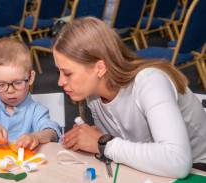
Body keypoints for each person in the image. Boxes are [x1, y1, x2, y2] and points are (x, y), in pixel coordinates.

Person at [52, 17, 206, 178]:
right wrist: (99, 137)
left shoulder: (150, 83)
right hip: (154, 170)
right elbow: (123, 146)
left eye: (68, 73)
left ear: (100, 68)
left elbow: (178, 162)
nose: (60, 81)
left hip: (198, 170)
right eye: (59, 72)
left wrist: (103, 144)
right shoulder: (93, 95)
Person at [0, 37, 61, 150]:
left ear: (31, 78)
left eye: (18, 83)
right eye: (1, 84)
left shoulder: (37, 110)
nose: (10, 90)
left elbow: (52, 132)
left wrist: (36, 136)